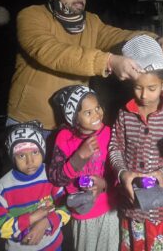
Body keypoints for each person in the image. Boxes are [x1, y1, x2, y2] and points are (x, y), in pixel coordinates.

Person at [6, 0, 163, 137]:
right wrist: (108, 61)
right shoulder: (31, 16)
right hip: (31, 120)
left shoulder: (90, 22)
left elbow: (119, 36)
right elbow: (51, 51)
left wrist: (158, 39)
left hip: (75, 121)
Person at [108, 35, 163, 251]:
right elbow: (115, 147)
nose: (144, 95)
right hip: (132, 206)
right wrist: (123, 173)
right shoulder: (124, 114)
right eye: (137, 87)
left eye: (151, 88)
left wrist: (162, 175)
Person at [47, 85, 119, 251]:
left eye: (97, 108)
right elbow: (56, 178)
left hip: (109, 209)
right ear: (74, 118)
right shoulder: (64, 138)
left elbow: (118, 169)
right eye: (88, 112)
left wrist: (104, 185)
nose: (97, 114)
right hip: (83, 213)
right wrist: (79, 157)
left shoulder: (108, 133)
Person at [0, 122, 70, 251]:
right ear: (12, 157)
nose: (30, 161)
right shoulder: (3, 187)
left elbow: (66, 207)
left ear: (43, 151)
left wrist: (47, 222)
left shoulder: (51, 175)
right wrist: (31, 218)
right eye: (21, 155)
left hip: (53, 246)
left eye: (35, 152)